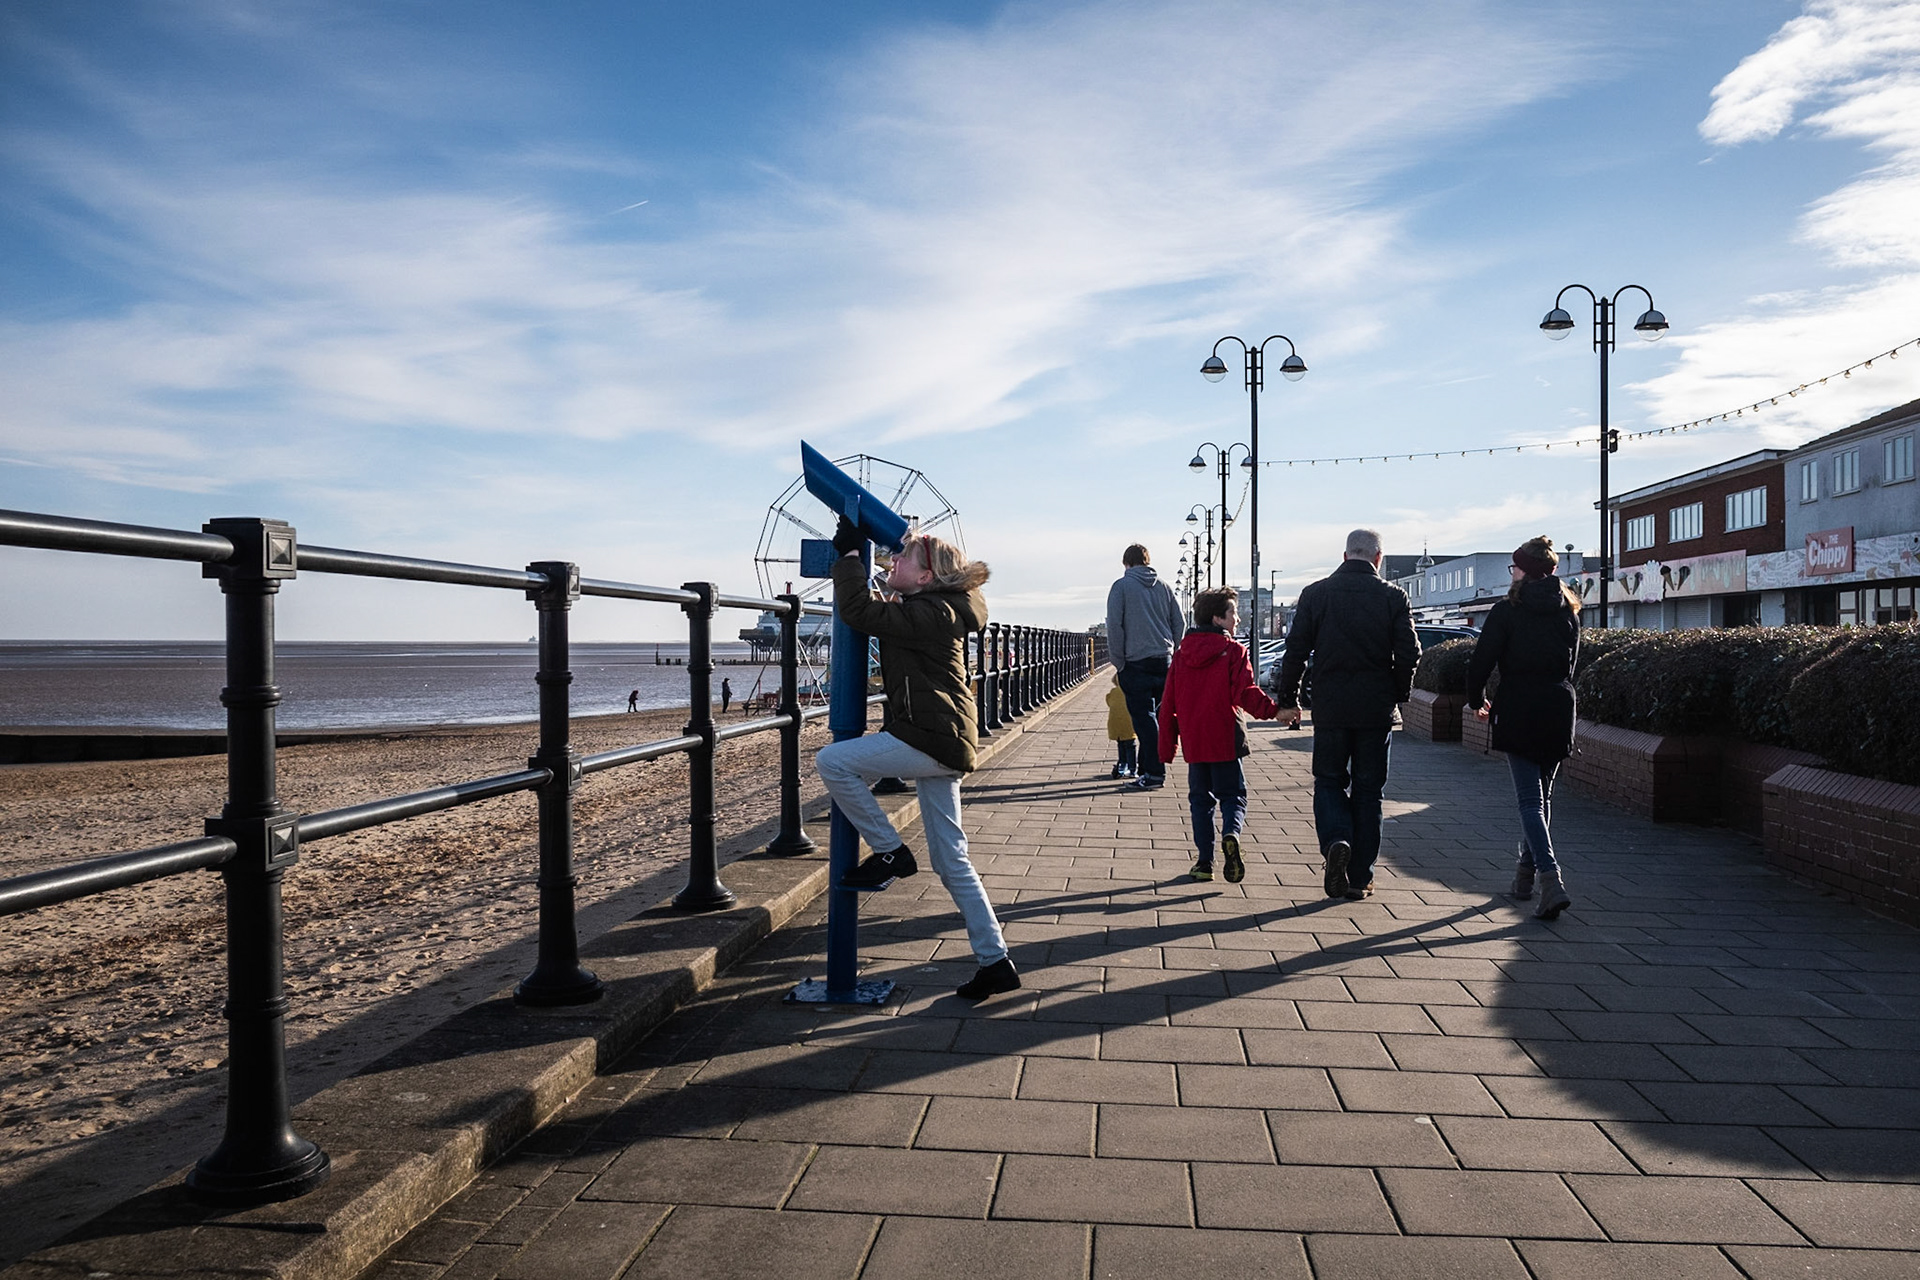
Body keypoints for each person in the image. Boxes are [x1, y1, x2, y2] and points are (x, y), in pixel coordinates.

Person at [813, 519, 1018, 1000]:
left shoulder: (933, 614)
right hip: (940, 737)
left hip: (928, 738)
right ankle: (996, 962)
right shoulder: (935, 608)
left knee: (834, 763)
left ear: (926, 577)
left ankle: (889, 851)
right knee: (952, 862)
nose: (891, 562)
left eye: (901, 559)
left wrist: (846, 560)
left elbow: (859, 612)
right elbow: (887, 618)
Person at [1272, 528, 1420, 900]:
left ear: (1344, 556)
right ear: (1378, 559)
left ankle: (1337, 839)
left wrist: (1288, 699)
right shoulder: (1393, 596)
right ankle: (1359, 877)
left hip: (1331, 706)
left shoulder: (1316, 594)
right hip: (1375, 709)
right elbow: (1409, 652)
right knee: (1369, 791)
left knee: (1328, 781)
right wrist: (1397, 694)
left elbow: (1295, 652)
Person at [1466, 536, 1582, 920]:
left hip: (1519, 705)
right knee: (1543, 799)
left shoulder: (1507, 611)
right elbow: (1571, 666)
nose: (1510, 572)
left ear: (1523, 572)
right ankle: (1523, 880)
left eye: (1513, 566)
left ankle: (1551, 879)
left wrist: (1475, 697)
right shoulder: (1569, 611)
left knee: (1530, 802)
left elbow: (1483, 659)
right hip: (1558, 706)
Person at [1160, 587, 1278, 883]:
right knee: (1233, 796)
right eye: (1232, 614)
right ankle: (1231, 833)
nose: (1237, 619)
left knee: (1200, 801)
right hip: (1226, 738)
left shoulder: (1182, 655)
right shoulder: (1234, 652)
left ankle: (1204, 862)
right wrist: (1275, 711)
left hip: (1195, 741)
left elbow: (1168, 703)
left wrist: (1166, 748)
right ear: (1217, 619)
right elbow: (1247, 693)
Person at [1105, 543, 1186, 791]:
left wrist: (1119, 662)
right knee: (1158, 717)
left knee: (1144, 720)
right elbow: (1179, 622)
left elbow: (1114, 628)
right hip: (1164, 661)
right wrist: (1174, 648)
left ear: (1126, 563)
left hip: (1135, 662)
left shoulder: (1121, 587)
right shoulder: (1164, 587)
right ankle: (1146, 768)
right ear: (1147, 561)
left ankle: (1153, 774)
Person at [1105, 672, 1137, 778]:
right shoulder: (1132, 691)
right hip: (1129, 725)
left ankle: (1121, 767)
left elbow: (1108, 701)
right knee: (1131, 747)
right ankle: (1132, 769)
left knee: (1121, 746)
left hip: (1116, 725)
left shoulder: (1113, 692)